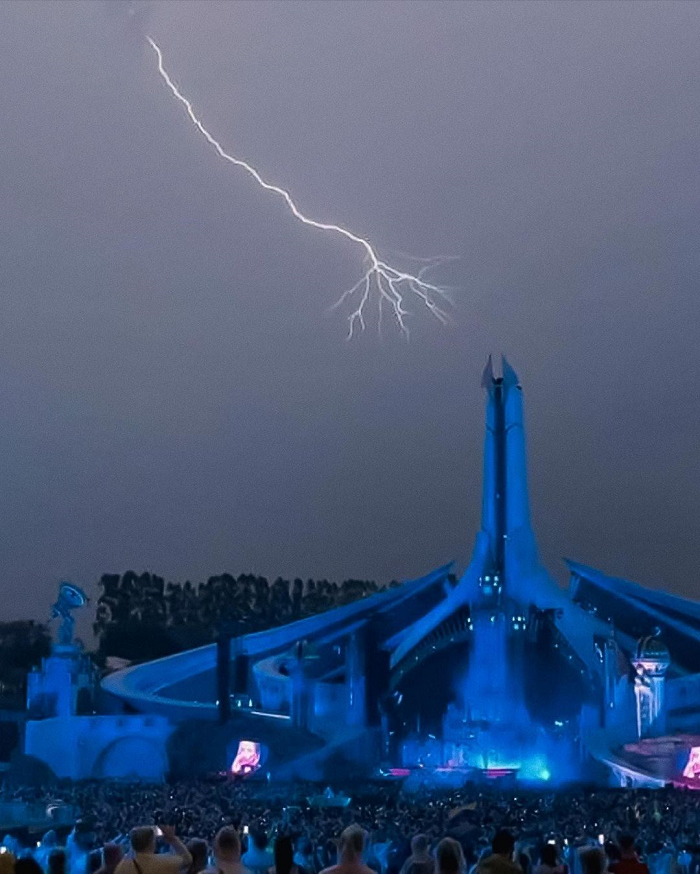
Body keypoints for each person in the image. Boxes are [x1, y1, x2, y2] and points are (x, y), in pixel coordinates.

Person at [115, 827, 192, 874]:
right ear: (151, 842)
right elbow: (187, 860)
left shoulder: (122, 865)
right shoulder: (162, 863)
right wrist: (172, 839)